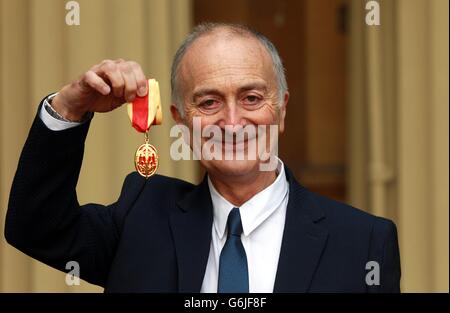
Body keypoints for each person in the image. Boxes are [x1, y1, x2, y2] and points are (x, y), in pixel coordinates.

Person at [5, 23, 401, 292]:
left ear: (280, 110)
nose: (231, 122)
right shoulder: (140, 216)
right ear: (181, 120)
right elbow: (37, 228)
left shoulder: (364, 243)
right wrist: (70, 108)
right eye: (209, 102)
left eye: (251, 98)